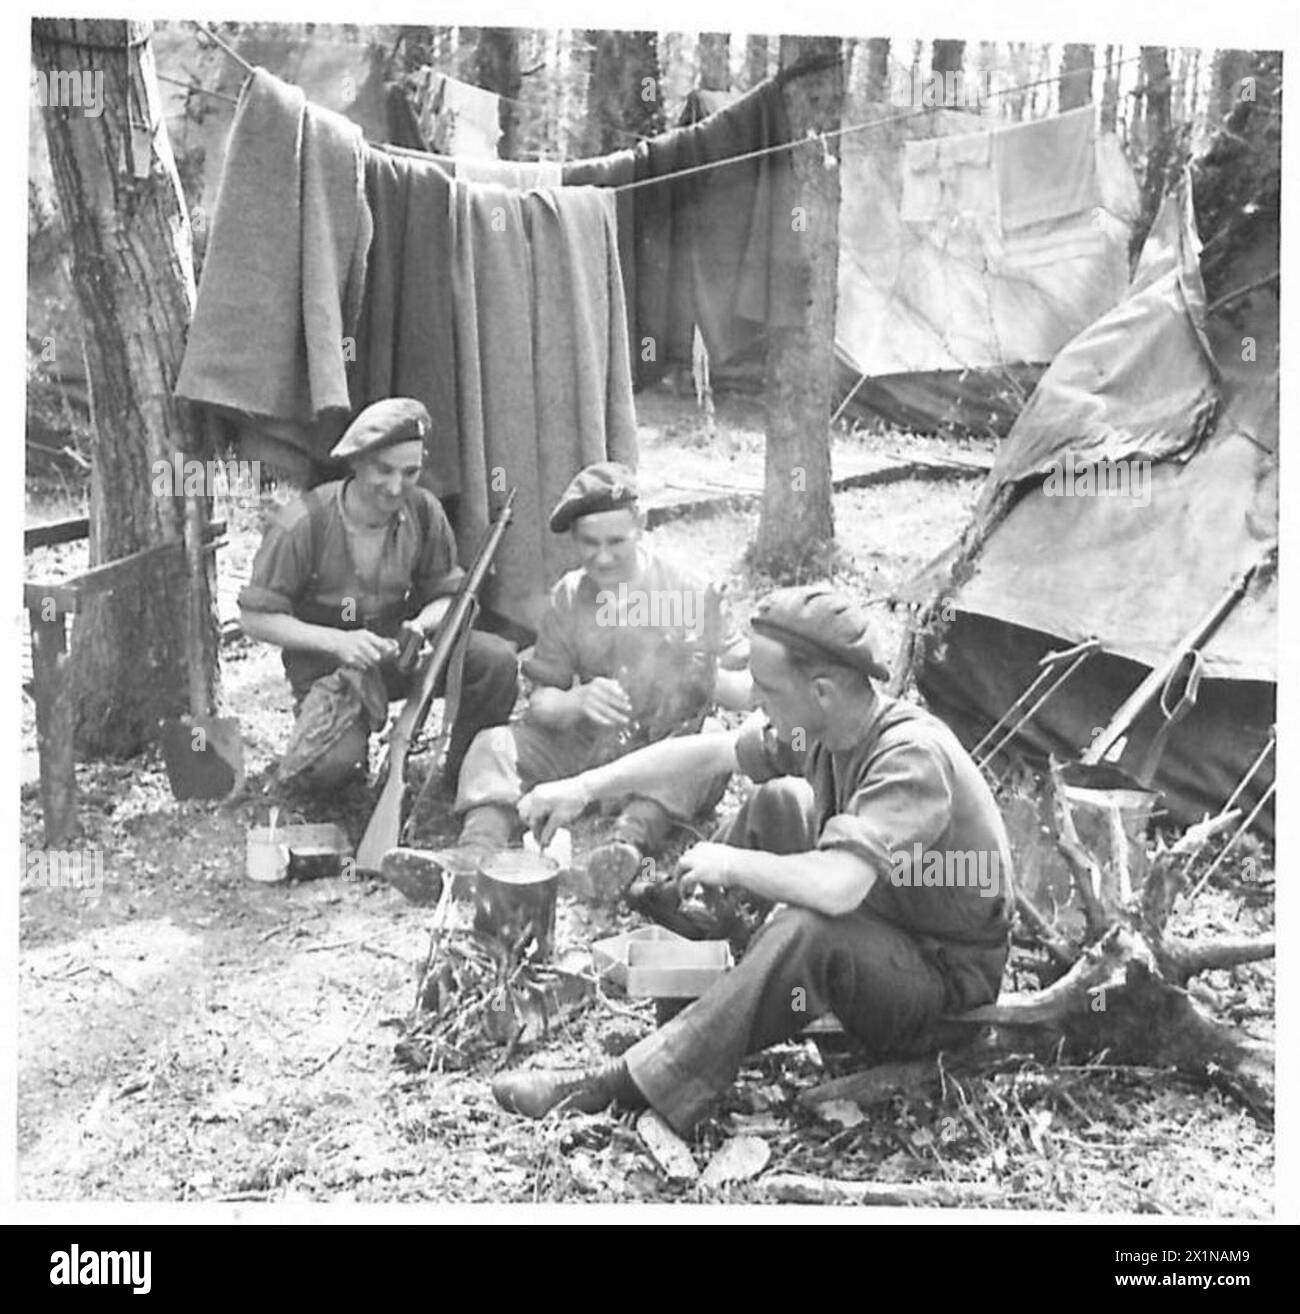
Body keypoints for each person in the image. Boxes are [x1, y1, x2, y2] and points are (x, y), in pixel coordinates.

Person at [492, 584, 1015, 1134]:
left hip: (945, 991)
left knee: (810, 926)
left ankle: (629, 1082)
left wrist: (733, 865)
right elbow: (708, 753)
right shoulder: (825, 725)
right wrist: (582, 786)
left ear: (821, 692)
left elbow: (838, 888)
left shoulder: (909, 759)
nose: (753, 701)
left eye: (765, 690)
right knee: (779, 802)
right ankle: (708, 973)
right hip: (893, 923)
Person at [451, 461, 752, 890]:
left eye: (616, 541)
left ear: (642, 526)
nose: (603, 557)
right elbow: (541, 700)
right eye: (589, 543)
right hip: (588, 744)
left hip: (665, 746)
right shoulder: (570, 595)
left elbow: (749, 692)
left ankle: (624, 847)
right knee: (493, 744)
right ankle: (475, 852)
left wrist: (702, 673)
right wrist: (576, 700)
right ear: (574, 539)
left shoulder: (690, 592)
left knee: (706, 742)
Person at [238, 397, 519, 792]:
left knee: (496, 662)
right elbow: (255, 617)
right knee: (326, 772)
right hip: (331, 669)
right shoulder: (303, 523)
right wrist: (338, 642)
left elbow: (448, 593)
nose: (395, 487)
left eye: (410, 472)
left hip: (399, 654)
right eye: (383, 470)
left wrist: (422, 625)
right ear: (356, 462)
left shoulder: (423, 511)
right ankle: (350, 762)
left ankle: (465, 774)